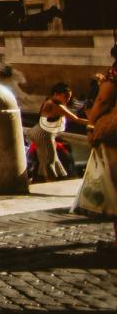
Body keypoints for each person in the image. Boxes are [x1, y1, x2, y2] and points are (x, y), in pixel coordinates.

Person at [73, 70, 117, 252]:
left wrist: (91, 126)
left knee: (114, 186)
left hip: (114, 135)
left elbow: (103, 100)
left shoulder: (114, 76)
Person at [35, 84, 87, 181]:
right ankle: (51, 180)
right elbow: (77, 119)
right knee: (59, 156)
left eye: (69, 97)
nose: (67, 99)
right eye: (66, 96)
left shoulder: (49, 102)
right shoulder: (54, 105)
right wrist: (94, 123)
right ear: (56, 94)